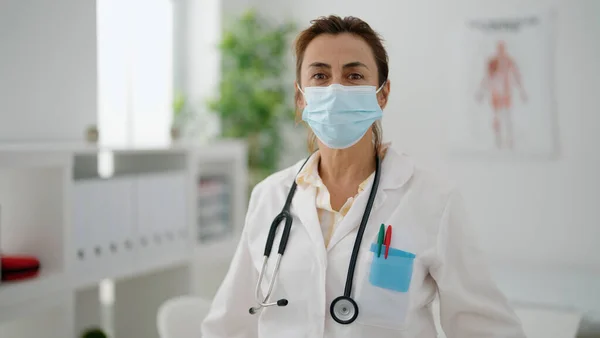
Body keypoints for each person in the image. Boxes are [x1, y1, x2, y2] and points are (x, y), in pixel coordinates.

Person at [201, 15, 525, 338]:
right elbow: (229, 325)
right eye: (320, 75)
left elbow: (486, 328)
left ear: (381, 95)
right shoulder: (269, 196)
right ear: (301, 98)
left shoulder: (433, 200)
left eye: (354, 75)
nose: (336, 89)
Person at [476, 40, 527, 150]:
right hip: (495, 93)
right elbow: (486, 77)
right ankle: (498, 140)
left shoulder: (509, 61)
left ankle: (509, 139)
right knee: (497, 116)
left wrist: (522, 91)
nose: (501, 51)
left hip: (506, 93)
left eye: (502, 48)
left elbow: (516, 75)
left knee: (507, 116)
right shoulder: (492, 61)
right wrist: (481, 92)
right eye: (499, 48)